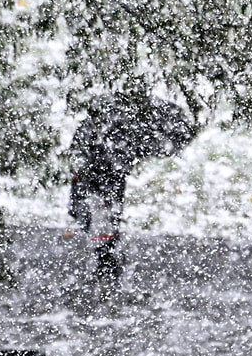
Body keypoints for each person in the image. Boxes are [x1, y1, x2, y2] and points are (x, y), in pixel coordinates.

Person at [67, 95, 194, 278]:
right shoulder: (104, 138)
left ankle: (107, 258)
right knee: (101, 198)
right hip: (109, 145)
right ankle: (107, 258)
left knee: (100, 198)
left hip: (110, 145)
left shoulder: (107, 135)